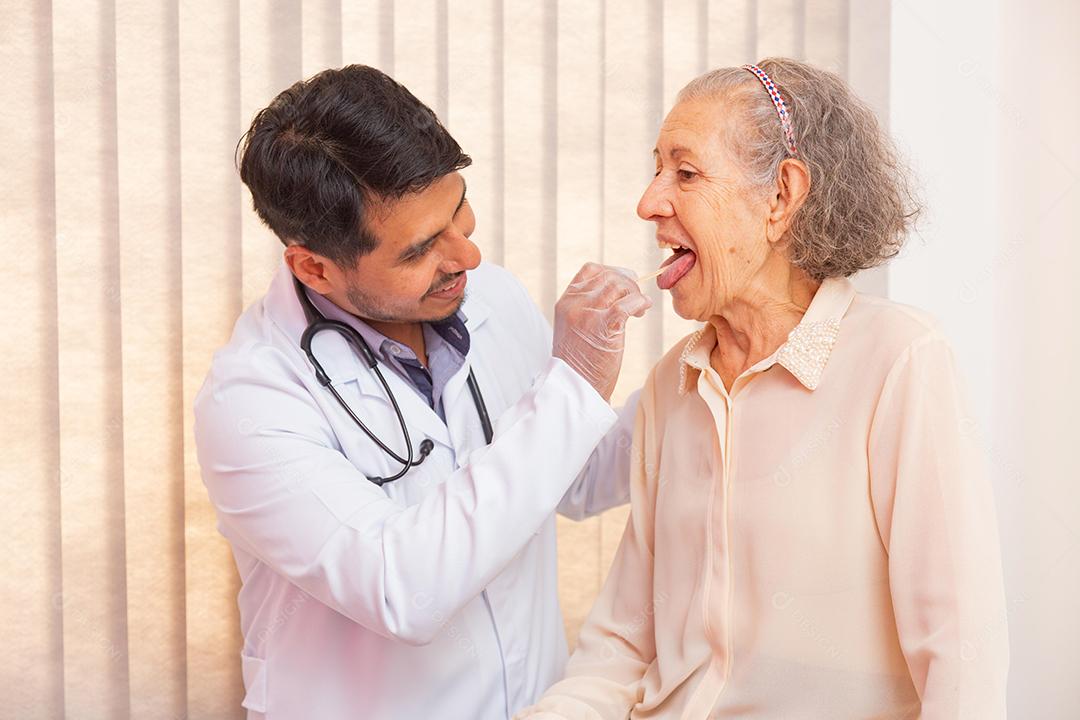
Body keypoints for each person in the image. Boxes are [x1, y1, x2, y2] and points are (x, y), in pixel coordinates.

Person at [517, 58, 1009, 719]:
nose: (648, 201)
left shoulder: (899, 361)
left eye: (684, 173)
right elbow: (621, 646)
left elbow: (961, 659)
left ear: (781, 195)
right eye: (656, 169)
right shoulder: (673, 384)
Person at [193, 64, 652, 719]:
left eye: (460, 212)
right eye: (421, 249)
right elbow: (404, 588)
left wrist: (702, 369)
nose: (467, 256)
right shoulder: (252, 404)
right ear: (314, 268)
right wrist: (572, 385)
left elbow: (573, 478)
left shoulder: (486, 293)